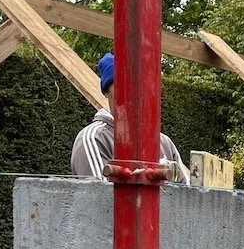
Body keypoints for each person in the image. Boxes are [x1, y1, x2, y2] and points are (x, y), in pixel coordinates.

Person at [71, 53, 190, 184]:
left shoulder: (164, 142)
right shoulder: (95, 138)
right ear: (106, 92)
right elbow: (100, 198)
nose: (132, 91)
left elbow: (187, 196)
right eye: (122, 84)